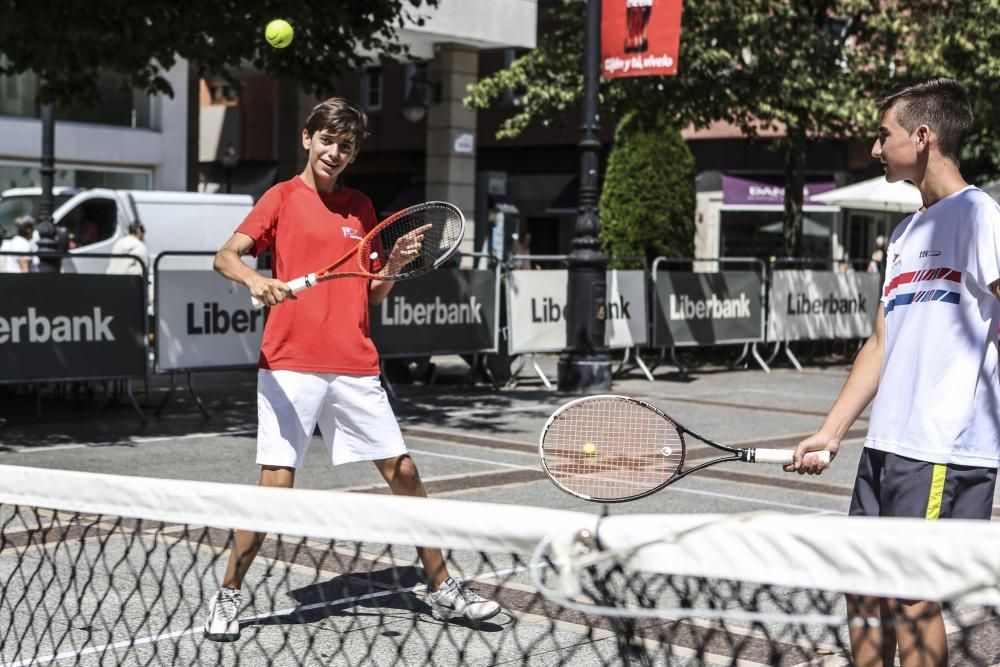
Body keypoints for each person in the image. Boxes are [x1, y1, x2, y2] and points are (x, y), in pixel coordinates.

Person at [204, 97, 500, 642]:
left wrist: (393, 264)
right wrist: (254, 280)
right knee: (275, 487)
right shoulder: (281, 197)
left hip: (354, 363)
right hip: (290, 363)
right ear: (307, 138)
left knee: (405, 474)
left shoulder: (362, 207)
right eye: (327, 141)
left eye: (346, 146)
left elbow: (373, 290)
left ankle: (440, 587)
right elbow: (225, 256)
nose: (335, 153)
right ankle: (228, 595)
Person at [788, 77, 1000, 667]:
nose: (876, 149)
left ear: (923, 136)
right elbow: (880, 342)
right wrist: (831, 431)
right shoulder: (905, 233)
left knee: (912, 601)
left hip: (941, 447)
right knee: (862, 588)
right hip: (886, 446)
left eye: (884, 135)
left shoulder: (983, 217)